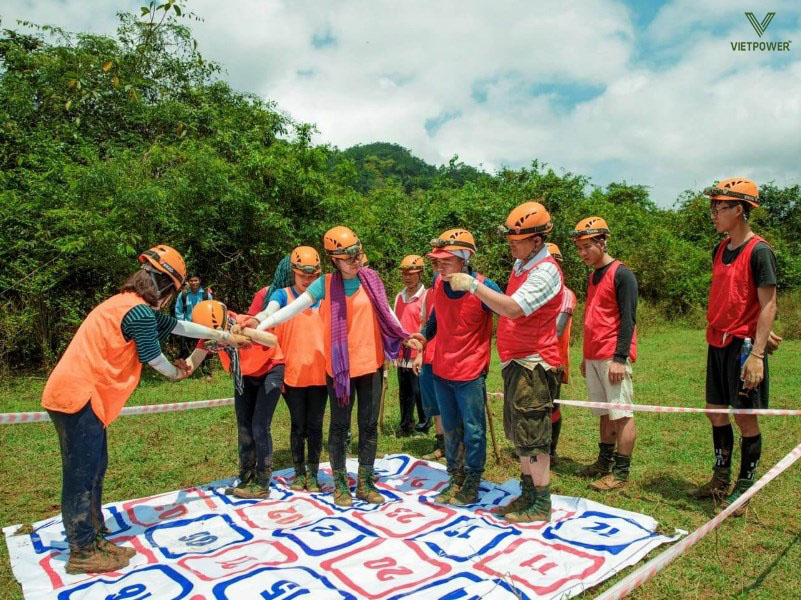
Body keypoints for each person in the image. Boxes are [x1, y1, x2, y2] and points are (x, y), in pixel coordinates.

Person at [41, 246, 243, 574]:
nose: (169, 299)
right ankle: (81, 550)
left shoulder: (129, 306)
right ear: (164, 285)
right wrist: (179, 371)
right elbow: (155, 360)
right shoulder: (137, 312)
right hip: (78, 397)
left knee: (94, 469)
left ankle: (93, 537)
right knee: (81, 475)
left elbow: (180, 326)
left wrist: (217, 336)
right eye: (172, 291)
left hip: (84, 398)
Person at [249, 227, 422, 507]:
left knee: (368, 426)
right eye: (347, 257)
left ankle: (365, 483)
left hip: (371, 365)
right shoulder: (325, 285)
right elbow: (288, 310)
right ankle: (340, 484)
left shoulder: (371, 279)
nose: (355, 260)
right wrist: (260, 322)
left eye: (357, 254)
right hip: (340, 370)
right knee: (339, 427)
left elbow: (387, 313)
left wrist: (405, 335)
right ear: (334, 260)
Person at [446, 204, 563, 522]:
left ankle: (541, 503)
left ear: (537, 241)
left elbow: (512, 309)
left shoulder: (546, 271)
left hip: (535, 364)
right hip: (517, 363)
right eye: (510, 235)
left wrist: (473, 286)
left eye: (517, 237)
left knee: (534, 436)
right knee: (521, 435)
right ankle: (528, 495)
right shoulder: (522, 264)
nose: (511, 242)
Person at [690, 178, 778, 516]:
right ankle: (720, 478)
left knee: (745, 419)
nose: (714, 213)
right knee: (715, 412)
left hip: (743, 349)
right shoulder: (721, 247)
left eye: (720, 207)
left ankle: (744, 487)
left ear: (739, 209)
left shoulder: (760, 251)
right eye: (714, 207)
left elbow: (768, 304)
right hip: (717, 341)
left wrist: (757, 352)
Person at [420, 229, 502, 506]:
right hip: (442, 370)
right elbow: (436, 315)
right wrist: (425, 335)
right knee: (451, 428)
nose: (440, 265)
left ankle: (472, 482)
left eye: (446, 260)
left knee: (473, 430)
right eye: (436, 261)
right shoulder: (436, 282)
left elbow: (508, 311)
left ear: (465, 259)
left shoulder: (484, 286)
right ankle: (455, 477)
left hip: (470, 372)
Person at [187, 300, 284, 499]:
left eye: (221, 333)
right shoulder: (209, 335)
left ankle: (262, 482)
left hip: (270, 369)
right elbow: (193, 361)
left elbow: (271, 341)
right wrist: (176, 369)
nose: (219, 340)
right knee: (244, 427)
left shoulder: (244, 321)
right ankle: (246, 476)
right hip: (244, 376)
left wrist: (247, 333)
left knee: (259, 426)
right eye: (214, 336)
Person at [570, 217, 638, 491]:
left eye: (587, 246)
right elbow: (594, 316)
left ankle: (620, 473)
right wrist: (586, 357)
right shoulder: (593, 275)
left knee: (621, 413)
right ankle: (602, 463)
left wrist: (620, 358)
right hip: (594, 355)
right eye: (579, 248)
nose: (583, 252)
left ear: (602, 242)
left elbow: (627, 319)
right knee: (603, 412)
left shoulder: (622, 274)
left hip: (613, 355)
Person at [261, 247, 327, 493]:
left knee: (316, 426)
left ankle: (313, 473)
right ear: (293, 273)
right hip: (293, 375)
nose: (307, 280)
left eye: (312, 275)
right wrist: (260, 318)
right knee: (298, 425)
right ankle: (299, 474)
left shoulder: (325, 298)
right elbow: (270, 310)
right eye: (302, 275)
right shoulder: (283, 295)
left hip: (321, 376)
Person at [547, 242, 577, 463]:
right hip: (533, 359)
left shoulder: (565, 294)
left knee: (552, 405)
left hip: (553, 360)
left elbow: (556, 330)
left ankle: (551, 450)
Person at [393, 255, 429, 436]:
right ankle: (405, 425)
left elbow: (426, 324)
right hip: (402, 351)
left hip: (419, 351)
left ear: (420, 274)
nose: (408, 277)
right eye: (405, 274)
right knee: (404, 392)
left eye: (412, 274)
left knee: (419, 391)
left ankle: (424, 425)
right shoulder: (399, 297)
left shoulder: (425, 296)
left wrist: (420, 345)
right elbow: (396, 323)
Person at [419, 265, 446, 461]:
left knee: (449, 403)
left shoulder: (459, 294)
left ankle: (455, 446)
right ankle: (441, 444)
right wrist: (419, 353)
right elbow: (424, 325)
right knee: (435, 404)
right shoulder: (429, 296)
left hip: (447, 357)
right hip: (429, 355)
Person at [174, 273, 213, 379]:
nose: (194, 283)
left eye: (196, 280)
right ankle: (181, 373)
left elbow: (211, 311)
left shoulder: (206, 295)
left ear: (199, 281)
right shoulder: (183, 295)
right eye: (191, 280)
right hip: (186, 327)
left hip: (202, 328)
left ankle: (207, 373)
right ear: (188, 282)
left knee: (204, 350)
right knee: (184, 350)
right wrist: (182, 325)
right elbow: (178, 310)